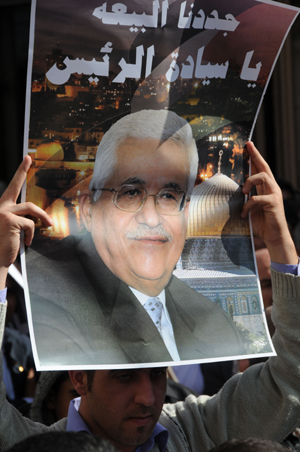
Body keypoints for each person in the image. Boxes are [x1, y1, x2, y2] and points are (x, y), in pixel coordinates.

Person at [0, 142, 300, 452]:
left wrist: (280, 243)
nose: (148, 397)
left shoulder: (191, 433)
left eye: (157, 373)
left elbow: (290, 381)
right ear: (79, 378)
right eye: (125, 376)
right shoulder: (34, 447)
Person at [26, 110, 245, 366]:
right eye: (130, 193)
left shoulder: (212, 318)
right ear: (88, 210)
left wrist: (282, 254)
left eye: (168, 196)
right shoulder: (45, 298)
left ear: (186, 213)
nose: (151, 218)